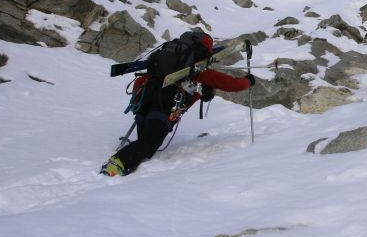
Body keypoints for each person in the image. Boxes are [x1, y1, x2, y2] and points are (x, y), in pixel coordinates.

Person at [100, 31, 256, 176]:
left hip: (145, 99)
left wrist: (137, 102)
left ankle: (129, 153)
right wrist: (248, 81)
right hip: (165, 103)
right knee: (149, 144)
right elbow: (232, 85)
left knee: (146, 140)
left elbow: (141, 80)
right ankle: (118, 163)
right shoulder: (195, 68)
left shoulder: (164, 59)